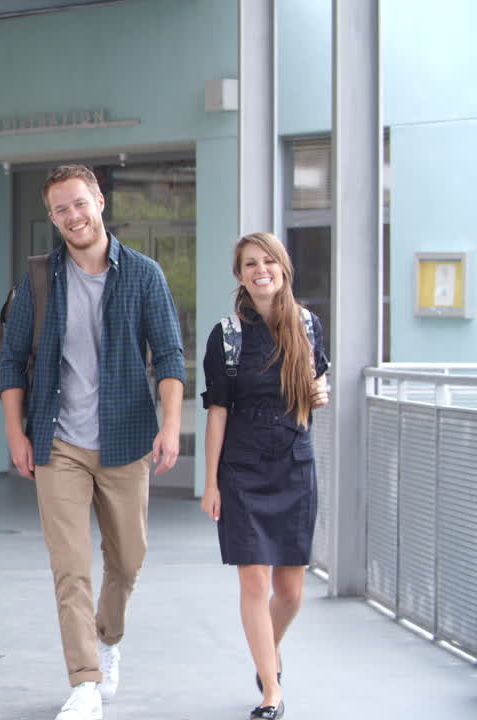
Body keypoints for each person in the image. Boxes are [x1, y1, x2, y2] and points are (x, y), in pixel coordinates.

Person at [0, 164, 185, 720]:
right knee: (70, 564)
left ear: (99, 201)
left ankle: (109, 636)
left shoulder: (144, 275)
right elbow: (9, 361)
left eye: (80, 203)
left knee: (128, 559)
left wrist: (170, 426)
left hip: (126, 438)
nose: (73, 216)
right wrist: (16, 433)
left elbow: (170, 356)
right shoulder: (38, 279)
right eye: (61, 209)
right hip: (59, 441)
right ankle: (83, 681)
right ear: (52, 218)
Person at [199, 232, 330, 720]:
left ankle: (267, 656)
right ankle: (271, 692)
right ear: (239, 275)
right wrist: (210, 484)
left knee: (290, 592)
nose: (260, 270)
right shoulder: (227, 334)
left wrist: (321, 391)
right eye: (249, 264)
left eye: (268, 261)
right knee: (254, 584)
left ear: (283, 267)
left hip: (294, 465)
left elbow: (320, 379)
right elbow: (216, 413)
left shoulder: (309, 326)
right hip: (242, 470)